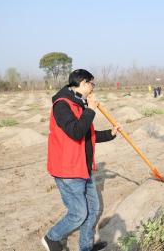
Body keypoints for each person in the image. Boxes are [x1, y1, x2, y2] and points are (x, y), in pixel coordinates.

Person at [42, 69, 121, 251]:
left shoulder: (78, 104)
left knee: (93, 210)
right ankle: (51, 238)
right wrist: (91, 110)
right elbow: (76, 131)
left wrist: (110, 133)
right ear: (84, 83)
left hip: (84, 168)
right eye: (92, 84)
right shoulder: (62, 105)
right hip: (68, 169)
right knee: (78, 213)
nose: (93, 88)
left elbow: (87, 134)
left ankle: (85, 247)